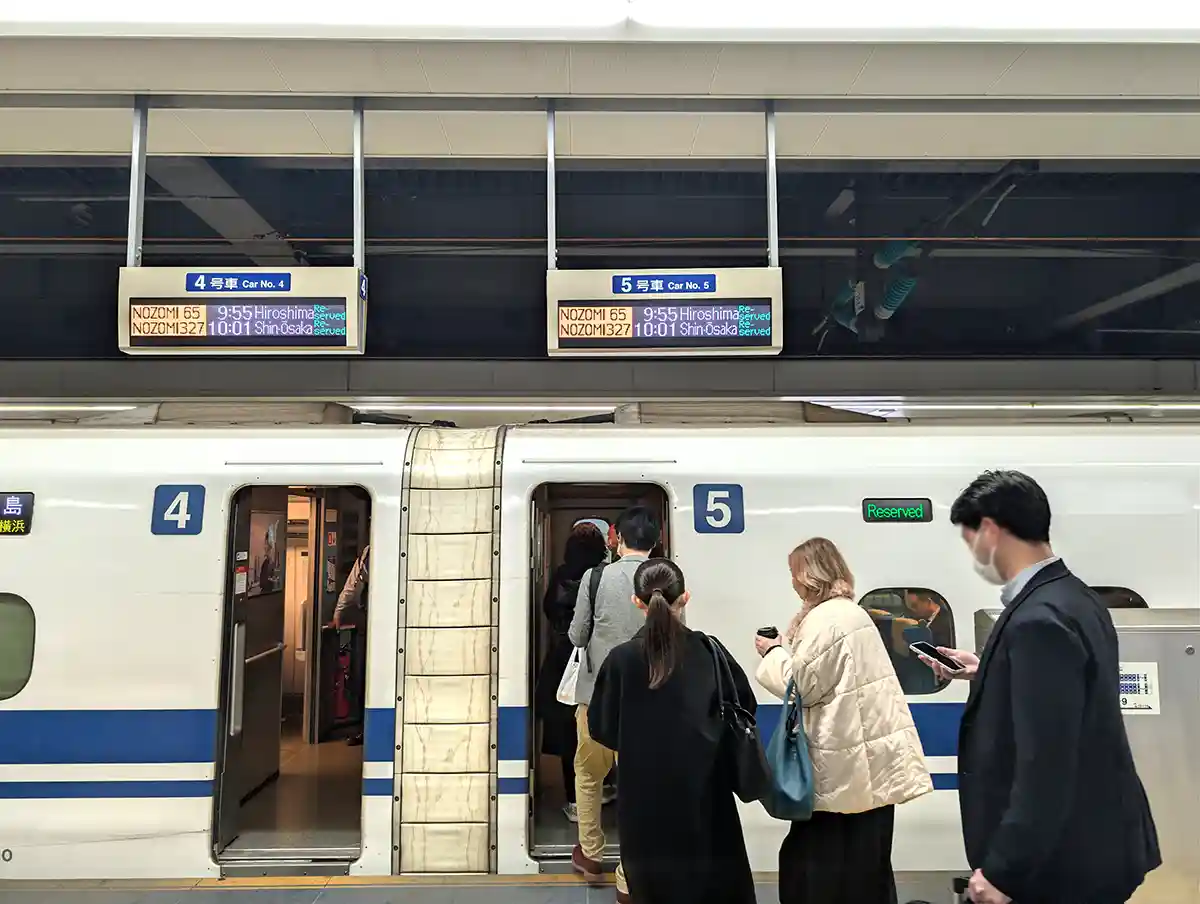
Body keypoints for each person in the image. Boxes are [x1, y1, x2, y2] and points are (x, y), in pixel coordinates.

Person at [921, 470, 1159, 904]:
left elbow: (1047, 762)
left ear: (991, 531)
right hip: (1094, 843)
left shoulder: (1037, 620)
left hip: (1062, 863)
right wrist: (989, 670)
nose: (972, 551)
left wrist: (1002, 870)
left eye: (969, 537)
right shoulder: (1074, 596)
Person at [755, 537, 932, 904]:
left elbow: (802, 685)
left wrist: (773, 653)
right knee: (867, 866)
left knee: (815, 866)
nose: (792, 582)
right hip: (866, 763)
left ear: (808, 575)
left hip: (842, 765)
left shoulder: (826, 619)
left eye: (793, 573)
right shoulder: (851, 613)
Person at [588, 559, 757, 904]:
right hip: (707, 798)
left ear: (637, 602)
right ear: (685, 598)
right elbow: (745, 708)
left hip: (643, 805)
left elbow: (602, 728)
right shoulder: (710, 652)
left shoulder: (621, 660)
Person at [567, 505, 660, 894]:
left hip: (597, 698)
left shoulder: (595, 578)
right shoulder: (663, 578)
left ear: (617, 538)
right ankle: (629, 872)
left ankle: (591, 854)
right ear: (655, 541)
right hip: (648, 702)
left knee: (589, 774)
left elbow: (577, 635)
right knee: (639, 784)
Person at [534, 521, 609, 822]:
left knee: (569, 734)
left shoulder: (562, 576)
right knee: (602, 726)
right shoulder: (605, 576)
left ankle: (576, 800)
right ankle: (604, 787)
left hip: (565, 660)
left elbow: (551, 610)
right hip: (599, 658)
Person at [331, 544, 369, 746]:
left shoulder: (371, 552)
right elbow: (353, 585)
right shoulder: (371, 552)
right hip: (376, 627)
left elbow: (353, 586)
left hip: (375, 627)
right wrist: (339, 612)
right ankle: (366, 729)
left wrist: (339, 612)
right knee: (363, 680)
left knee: (364, 680)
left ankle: (365, 729)